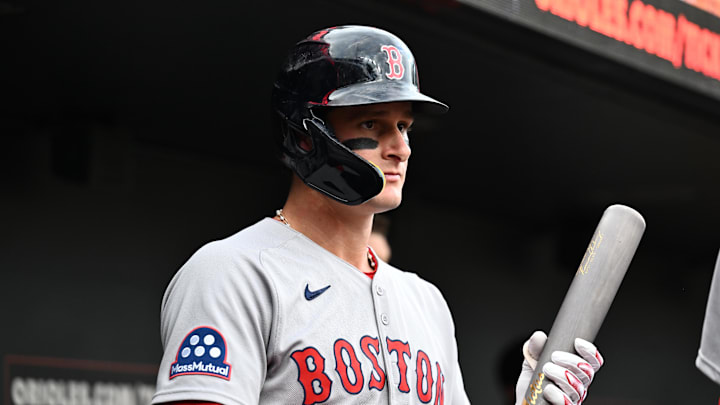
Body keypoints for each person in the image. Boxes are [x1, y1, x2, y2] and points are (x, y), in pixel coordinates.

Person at [151, 25, 604, 405]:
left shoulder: (425, 301)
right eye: (372, 124)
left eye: (404, 126)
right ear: (306, 137)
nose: (401, 148)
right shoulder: (233, 274)